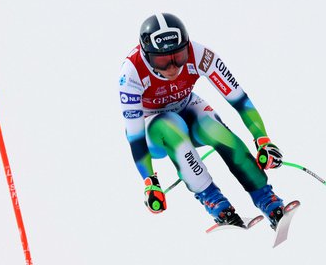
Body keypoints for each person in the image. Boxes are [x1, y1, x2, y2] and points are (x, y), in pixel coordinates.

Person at [118, 13, 286, 229]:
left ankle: (269, 201)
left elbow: (240, 100)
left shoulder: (200, 54)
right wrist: (150, 181)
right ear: (145, 54)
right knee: (170, 125)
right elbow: (135, 136)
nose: (171, 67)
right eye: (161, 60)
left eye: (178, 56)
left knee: (217, 130)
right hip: (153, 128)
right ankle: (215, 203)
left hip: (186, 106)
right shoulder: (131, 73)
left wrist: (262, 140)